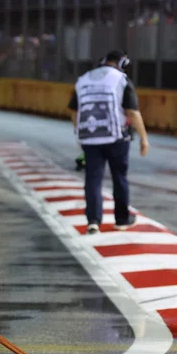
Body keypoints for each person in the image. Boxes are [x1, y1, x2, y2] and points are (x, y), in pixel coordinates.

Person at [67, 50, 149, 235]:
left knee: (93, 179)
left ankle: (93, 221)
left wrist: (79, 133)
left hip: (90, 137)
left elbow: (74, 112)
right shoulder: (121, 80)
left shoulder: (83, 79)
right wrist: (144, 138)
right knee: (119, 178)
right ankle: (121, 219)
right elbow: (133, 112)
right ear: (121, 64)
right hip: (116, 137)